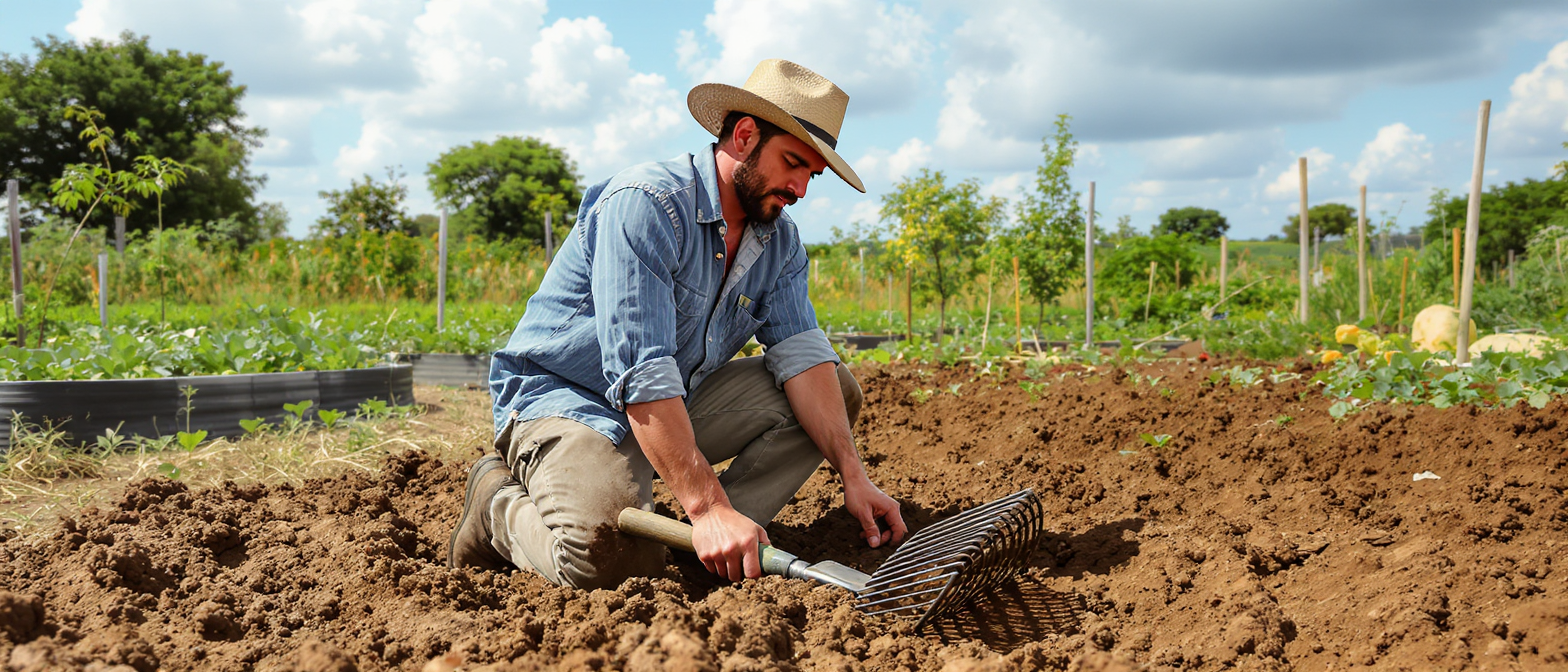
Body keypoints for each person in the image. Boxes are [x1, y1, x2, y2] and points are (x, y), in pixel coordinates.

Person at [448, 59, 907, 588]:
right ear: (744, 135)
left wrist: (855, 475)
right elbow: (640, 369)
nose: (800, 187)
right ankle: (496, 508)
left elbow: (802, 355)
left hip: (670, 406)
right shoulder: (646, 205)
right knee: (609, 566)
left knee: (834, 386)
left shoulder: (778, 241)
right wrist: (706, 505)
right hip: (567, 402)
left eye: (811, 174)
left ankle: (715, 546)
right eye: (792, 163)